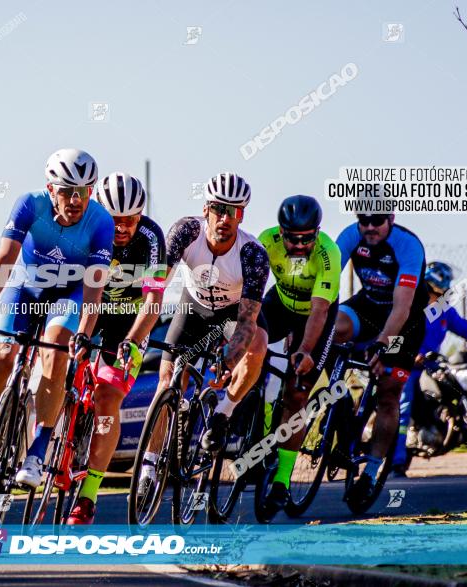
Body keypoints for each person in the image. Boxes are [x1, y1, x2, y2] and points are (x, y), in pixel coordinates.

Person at [0, 148, 114, 499]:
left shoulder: (101, 222)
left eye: (84, 191)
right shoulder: (29, 204)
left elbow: (93, 290)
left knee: (56, 353)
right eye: (67, 190)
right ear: (50, 188)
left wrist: (84, 336)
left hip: (68, 296)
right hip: (23, 287)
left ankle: (37, 452)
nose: (76, 199)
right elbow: (5, 258)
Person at [137, 172, 270, 493]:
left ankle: (225, 411)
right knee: (167, 382)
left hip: (233, 315)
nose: (225, 218)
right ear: (206, 209)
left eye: (234, 212)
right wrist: (139, 333)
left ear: (242, 215)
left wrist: (228, 359)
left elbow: (249, 321)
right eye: (219, 209)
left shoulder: (252, 254)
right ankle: (149, 465)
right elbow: (155, 287)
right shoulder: (185, 231)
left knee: (259, 344)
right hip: (193, 308)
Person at [65, 172, 167, 525]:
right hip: (85, 311)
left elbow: (154, 299)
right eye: (115, 219)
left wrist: (133, 340)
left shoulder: (152, 238)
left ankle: (88, 497)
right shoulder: (87, 228)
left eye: (130, 220)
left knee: (107, 400)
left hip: (128, 324)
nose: (122, 227)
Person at [333, 213, 428, 505]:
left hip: (404, 321)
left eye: (377, 221)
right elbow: (325, 283)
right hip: (368, 305)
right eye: (364, 221)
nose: (370, 227)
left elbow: (401, 307)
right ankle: (342, 406)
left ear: (391, 219)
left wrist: (382, 345)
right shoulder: (351, 235)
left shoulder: (408, 245)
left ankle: (371, 472)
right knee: (331, 331)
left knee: (388, 395)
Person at [255, 195, 341, 515]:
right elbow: (250, 289)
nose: (301, 245)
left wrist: (304, 349)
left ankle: (282, 480)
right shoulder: (266, 242)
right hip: (279, 303)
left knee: (297, 392)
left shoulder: (328, 253)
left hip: (315, 317)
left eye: (308, 238)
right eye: (293, 238)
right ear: (281, 232)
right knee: (249, 349)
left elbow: (319, 311)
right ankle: (256, 424)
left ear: (317, 233)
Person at [391, 261, 467, 476]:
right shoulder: (410, 307)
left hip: (432, 367)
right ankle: (397, 462)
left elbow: (462, 327)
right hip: (409, 367)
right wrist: (409, 356)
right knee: (403, 408)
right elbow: (394, 334)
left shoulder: (443, 311)